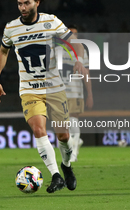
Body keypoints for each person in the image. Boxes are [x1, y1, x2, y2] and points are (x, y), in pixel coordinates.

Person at [0, 0, 87, 193]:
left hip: (54, 88)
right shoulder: (11, 28)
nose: (22, 7)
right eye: (19, 3)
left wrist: (79, 61)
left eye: (26, 3)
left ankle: (66, 166)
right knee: (38, 129)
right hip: (29, 90)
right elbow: (3, 52)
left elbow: (75, 44)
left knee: (63, 136)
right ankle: (55, 175)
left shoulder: (51, 22)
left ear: (37, 2)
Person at [59, 25, 94, 162]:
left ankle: (74, 153)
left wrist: (89, 94)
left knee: (73, 119)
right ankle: (75, 142)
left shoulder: (81, 51)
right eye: (70, 34)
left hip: (75, 92)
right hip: (59, 92)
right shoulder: (57, 50)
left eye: (75, 34)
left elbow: (86, 74)